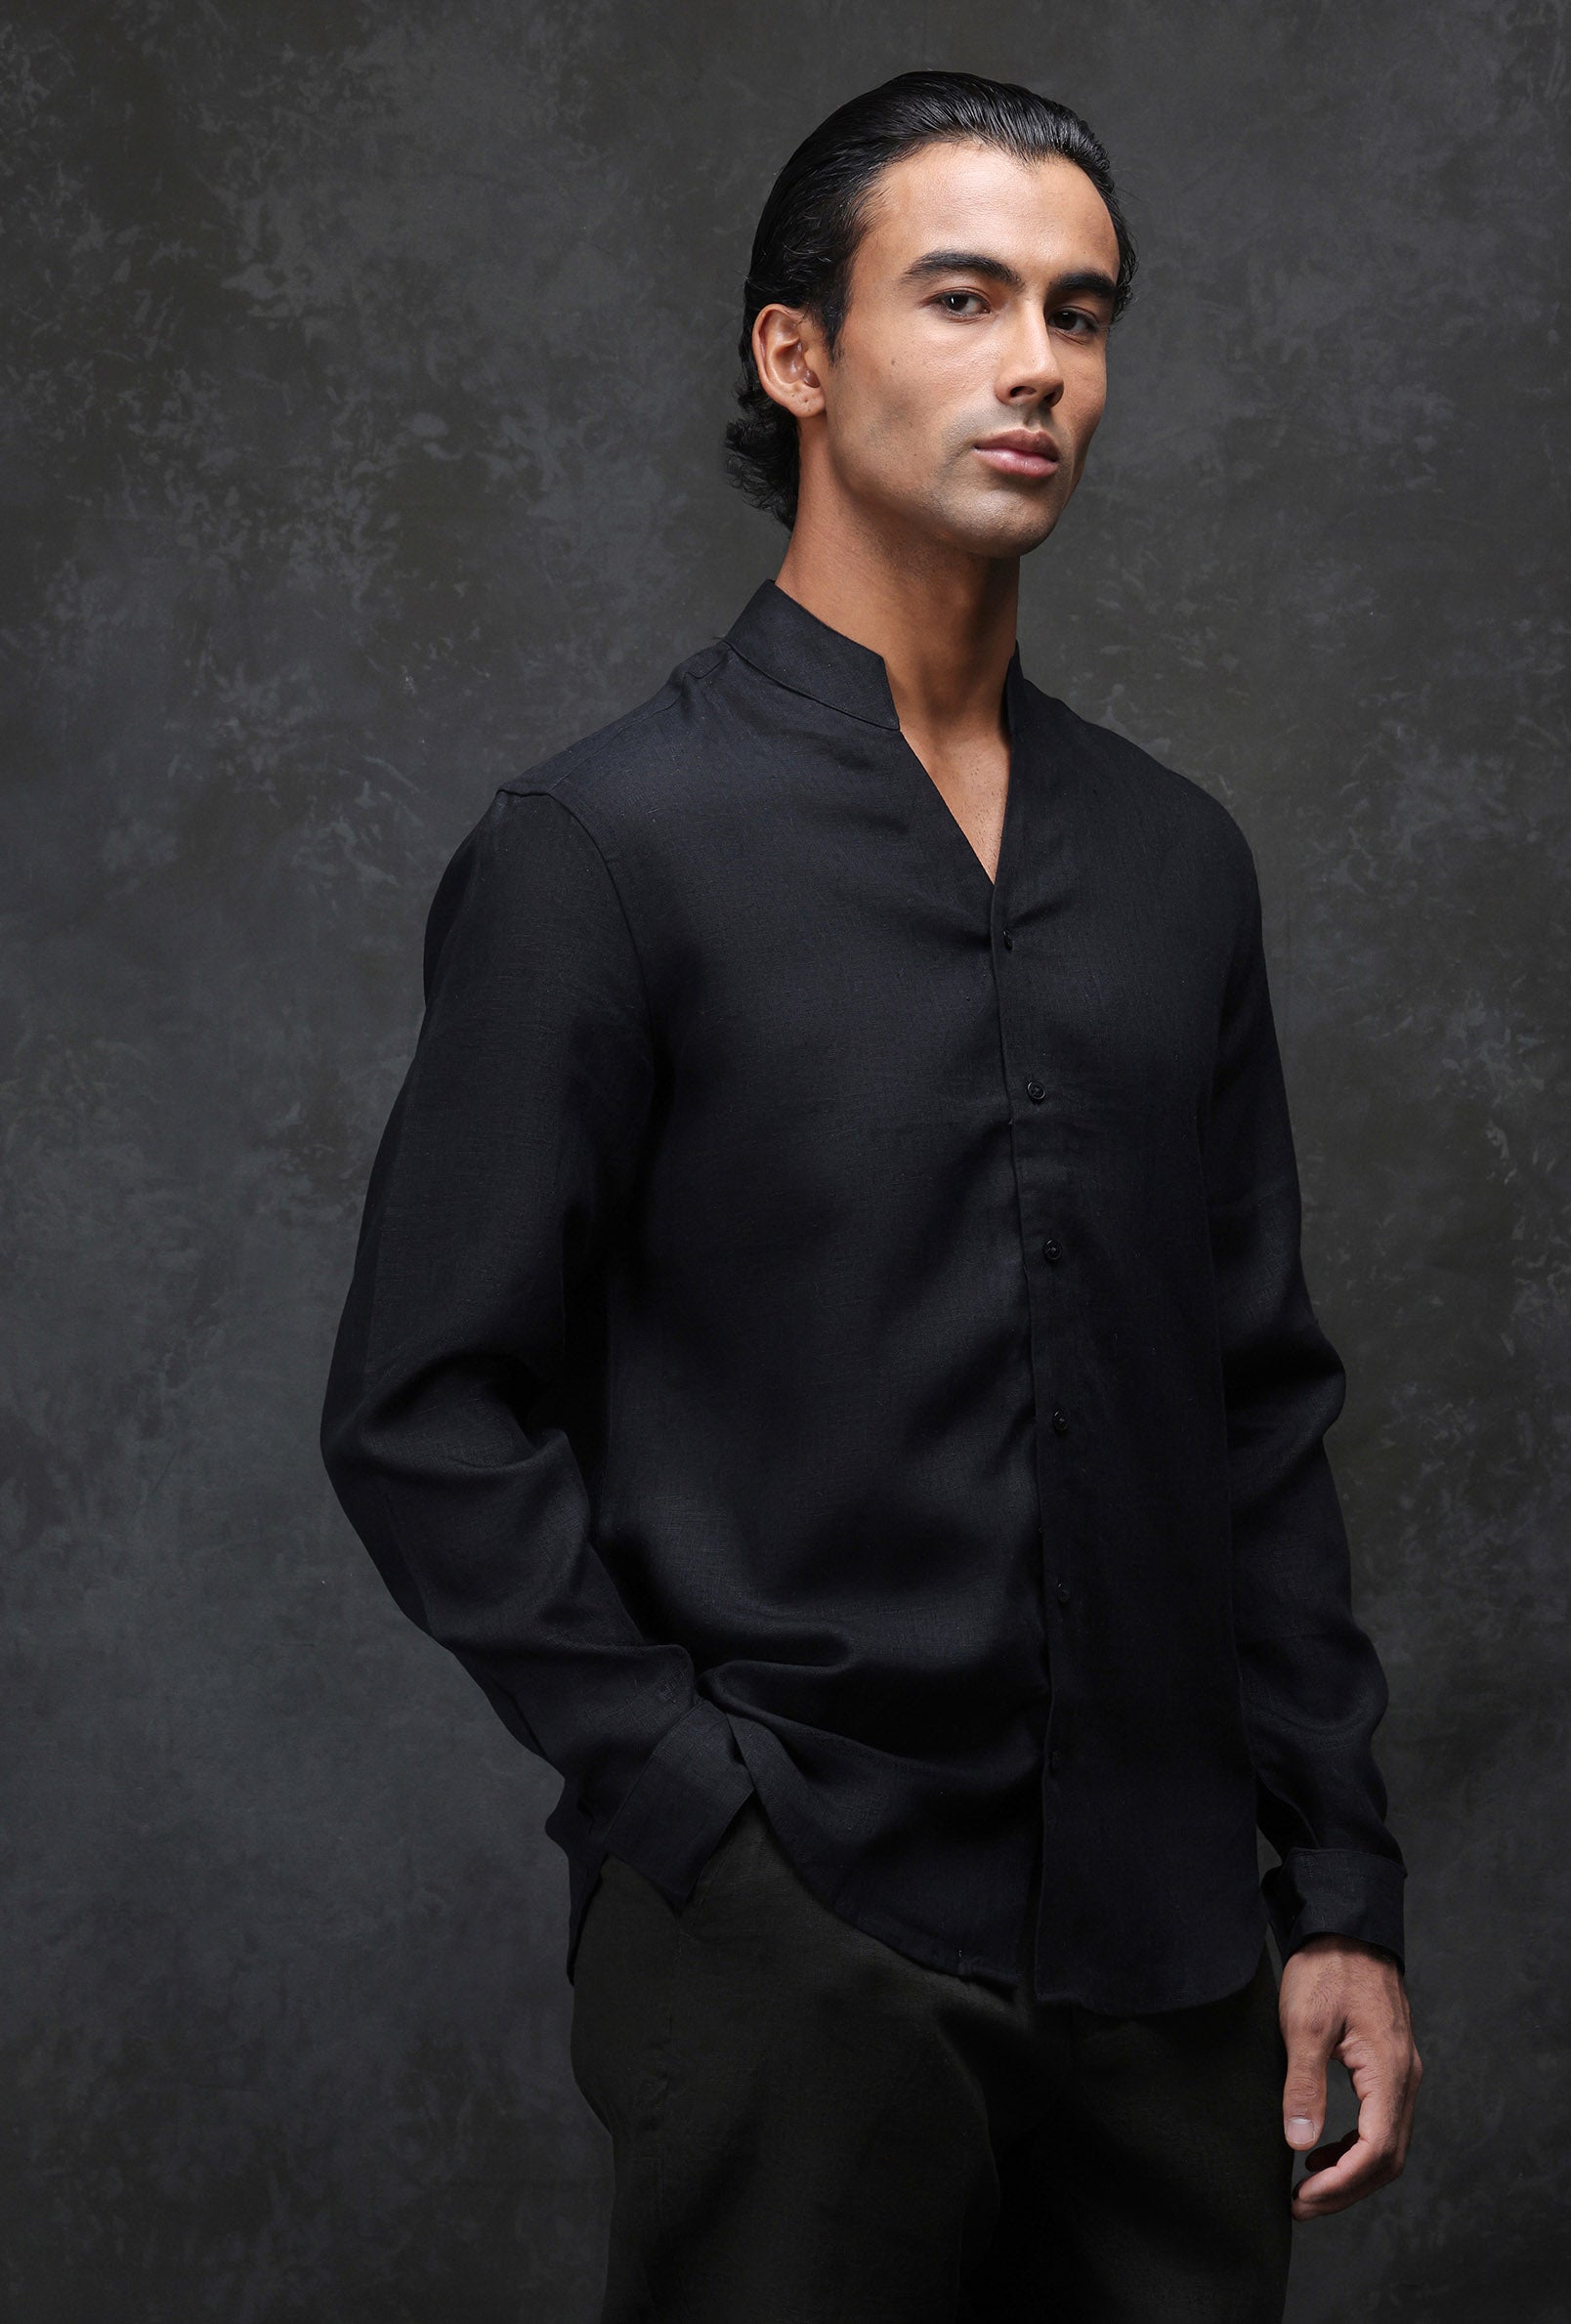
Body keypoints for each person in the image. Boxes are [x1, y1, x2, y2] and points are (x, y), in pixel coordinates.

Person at [320, 67, 1421, 2324]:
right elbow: (422, 1406)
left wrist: (1339, 1887)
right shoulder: (604, 848)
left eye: (1082, 313)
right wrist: (690, 1808)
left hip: (1175, 1968)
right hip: (792, 1936)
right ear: (796, 353)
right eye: (966, 295)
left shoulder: (1177, 863)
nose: (1041, 365)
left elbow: (1256, 1407)